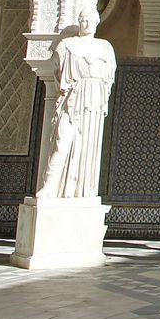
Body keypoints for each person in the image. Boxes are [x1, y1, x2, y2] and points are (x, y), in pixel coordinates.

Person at [38, 12, 117, 199]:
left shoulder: (105, 48)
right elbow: (57, 74)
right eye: (83, 19)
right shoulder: (66, 45)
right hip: (73, 97)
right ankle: (49, 185)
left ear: (98, 22)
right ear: (79, 22)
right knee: (61, 142)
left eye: (91, 20)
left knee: (86, 147)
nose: (87, 23)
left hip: (94, 102)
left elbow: (110, 77)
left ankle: (80, 191)